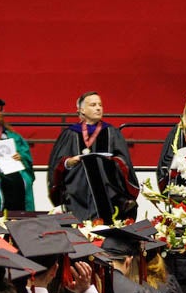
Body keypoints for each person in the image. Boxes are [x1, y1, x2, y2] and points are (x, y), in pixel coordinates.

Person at [48, 92, 138, 223]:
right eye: (93, 105)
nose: (98, 108)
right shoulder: (70, 133)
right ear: (82, 110)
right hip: (78, 190)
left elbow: (124, 161)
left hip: (108, 189)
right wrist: (69, 162)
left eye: (100, 105)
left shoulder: (112, 132)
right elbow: (57, 163)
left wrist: (110, 162)